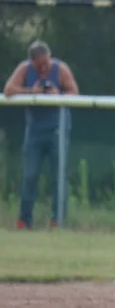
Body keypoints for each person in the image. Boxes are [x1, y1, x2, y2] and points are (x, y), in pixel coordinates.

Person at [2, 40, 80, 230]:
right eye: (39, 66)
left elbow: (75, 93)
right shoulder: (24, 69)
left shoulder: (60, 69)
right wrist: (31, 92)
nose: (43, 69)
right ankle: (24, 220)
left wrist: (57, 96)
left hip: (57, 130)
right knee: (29, 175)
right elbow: (8, 90)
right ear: (32, 63)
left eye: (46, 64)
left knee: (58, 176)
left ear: (50, 58)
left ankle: (58, 220)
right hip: (34, 132)